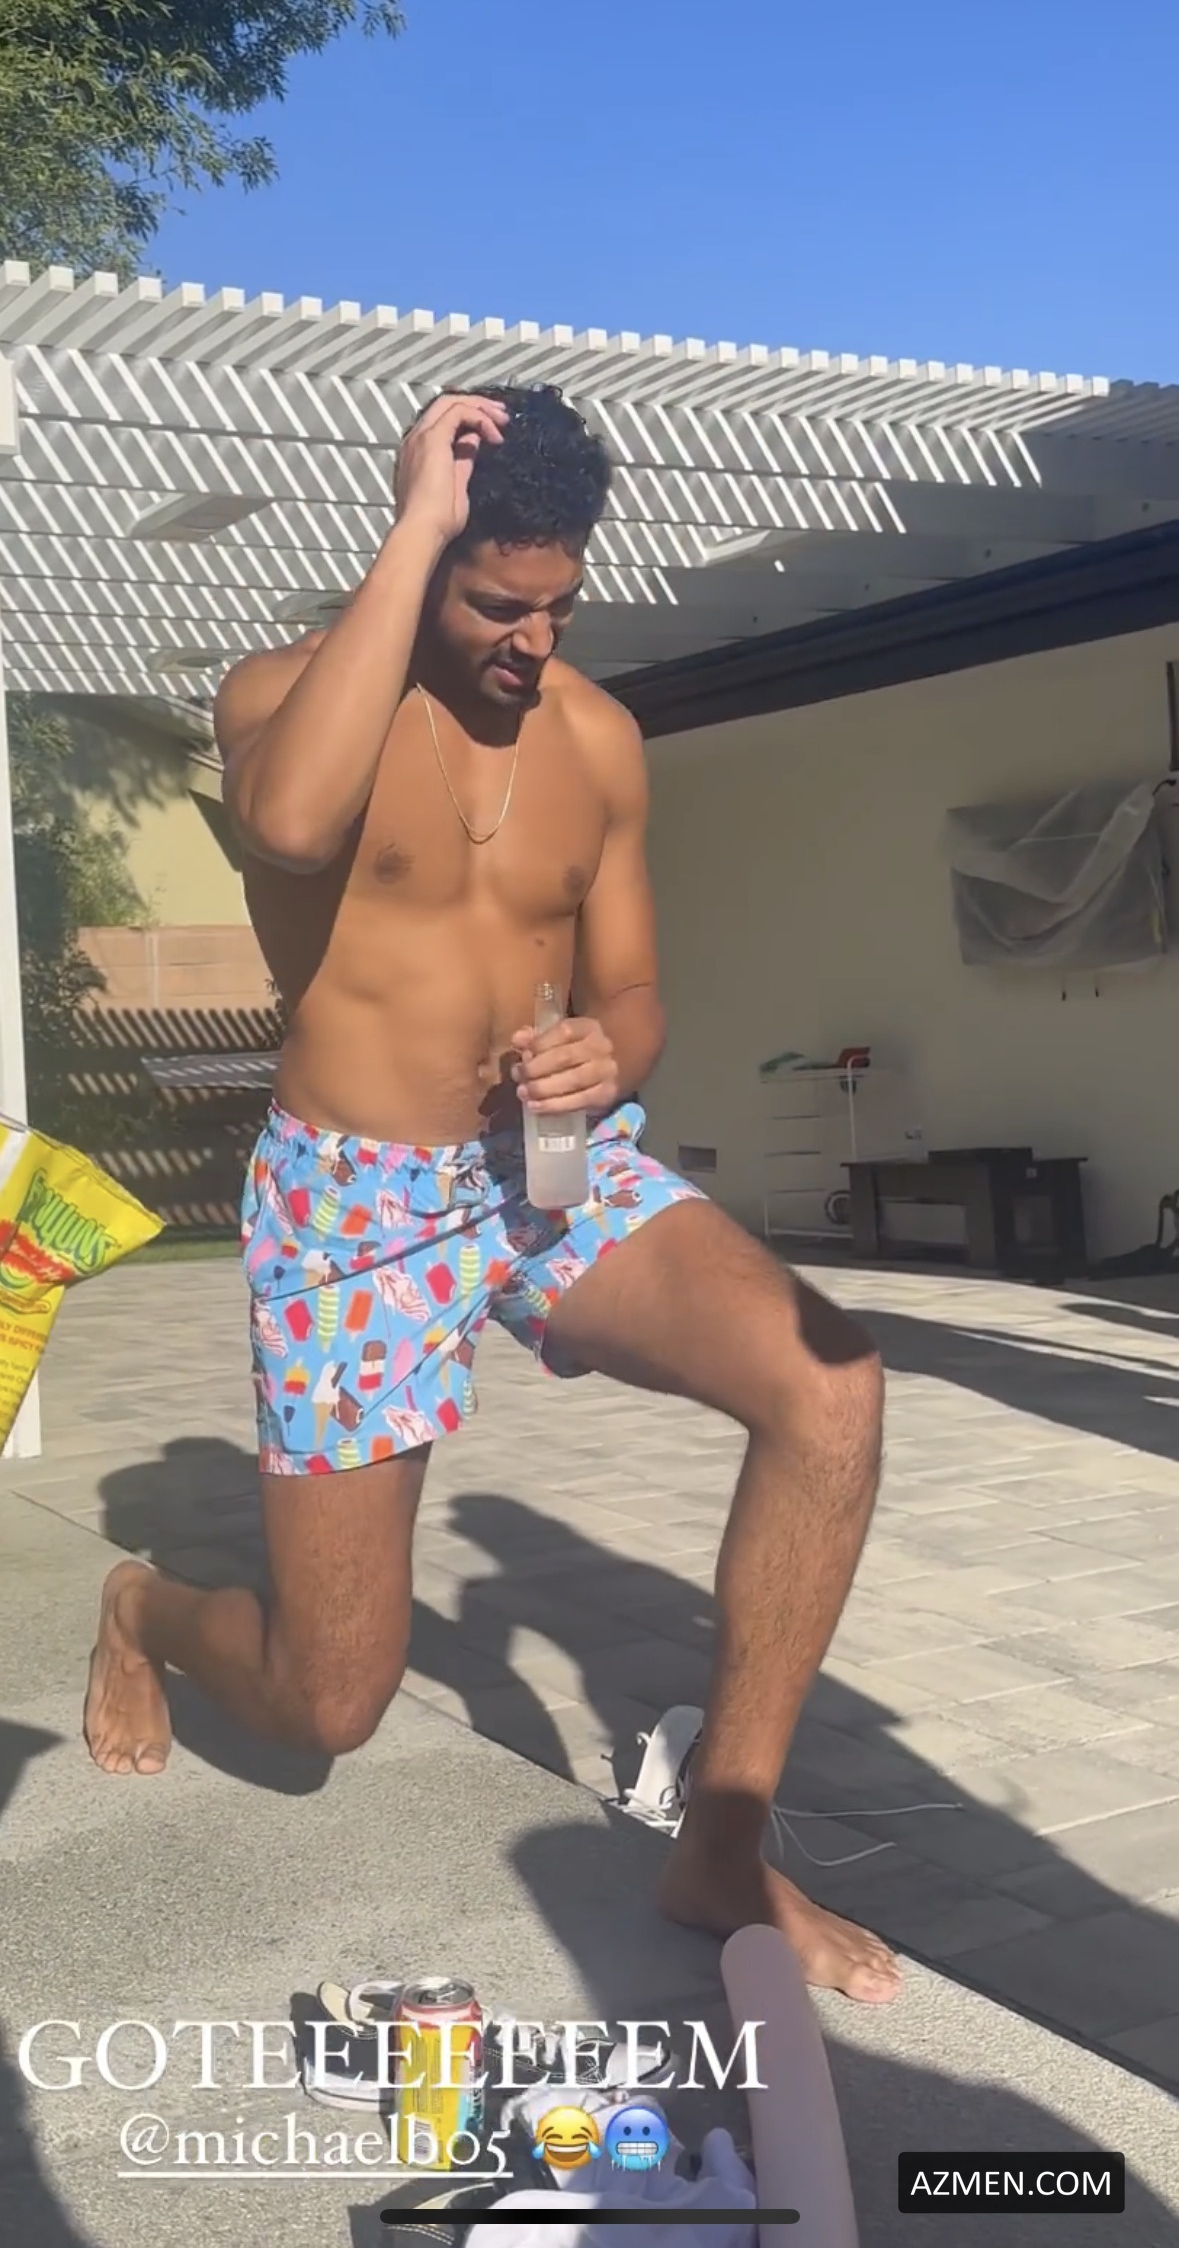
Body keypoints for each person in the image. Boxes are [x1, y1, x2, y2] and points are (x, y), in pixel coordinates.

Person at [84, 386, 896, 2003]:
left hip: (545, 1174)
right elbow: (290, 824)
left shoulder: (594, 739)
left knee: (833, 1386)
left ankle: (722, 1849)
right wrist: (414, 529)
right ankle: (142, 1610)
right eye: (496, 605)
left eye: (559, 606)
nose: (534, 642)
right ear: (423, 556)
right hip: (355, 1208)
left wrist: (611, 1050)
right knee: (327, 1707)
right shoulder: (284, 698)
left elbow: (635, 989)